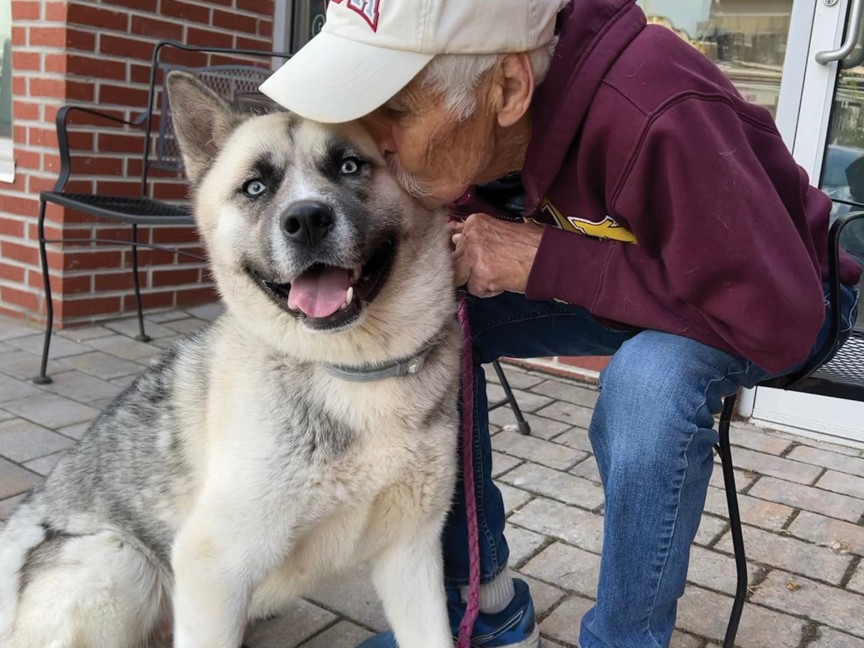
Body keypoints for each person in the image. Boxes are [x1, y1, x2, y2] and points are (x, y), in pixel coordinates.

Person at [260, 0, 863, 646]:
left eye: (397, 110)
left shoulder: (659, 108)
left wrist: (543, 260)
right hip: (653, 286)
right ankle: (483, 605)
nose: (371, 138)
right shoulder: (493, 118)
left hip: (781, 298)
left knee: (649, 384)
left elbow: (779, 318)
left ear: (508, 88)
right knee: (419, 321)